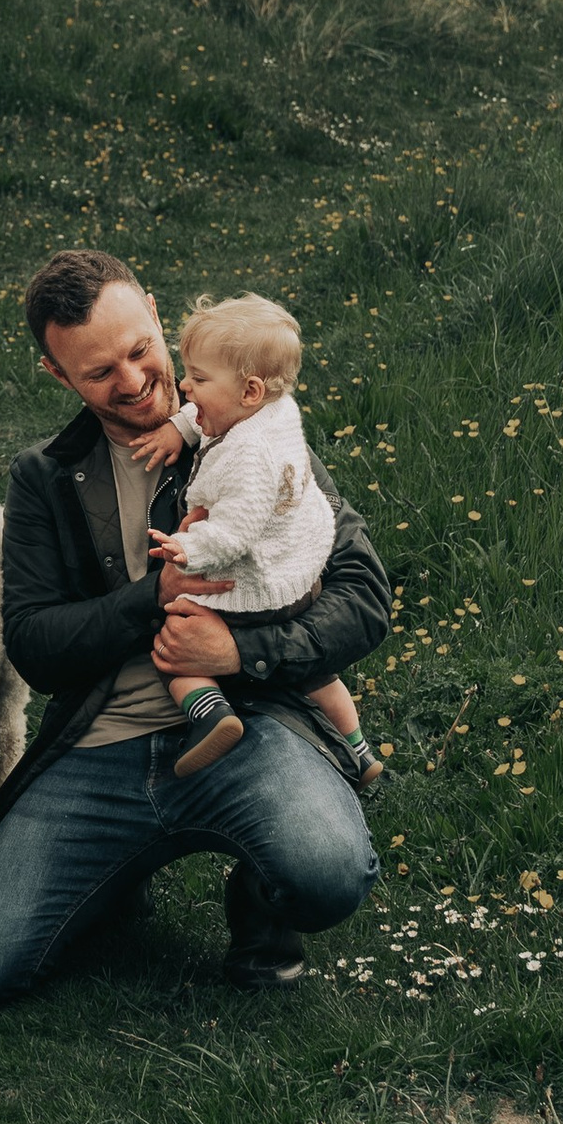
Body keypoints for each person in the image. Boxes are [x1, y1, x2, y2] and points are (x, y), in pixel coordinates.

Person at [0, 251, 386, 1007]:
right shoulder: (43, 474)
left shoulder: (249, 429)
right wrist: (155, 597)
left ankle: (260, 907)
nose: (135, 381)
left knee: (328, 871)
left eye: (141, 350)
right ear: (57, 376)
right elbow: (36, 648)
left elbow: (363, 593)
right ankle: (115, 876)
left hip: (247, 724)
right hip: (100, 745)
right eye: (100, 372)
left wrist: (237, 650)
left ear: (151, 305)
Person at [126, 293, 382, 788]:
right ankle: (359, 749)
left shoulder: (249, 459)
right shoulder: (271, 413)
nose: (184, 386)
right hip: (301, 579)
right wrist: (182, 428)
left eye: (198, 379)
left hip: (261, 584)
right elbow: (205, 419)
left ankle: (209, 713)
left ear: (249, 390)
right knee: (319, 676)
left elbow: (236, 531)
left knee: (175, 639)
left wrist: (189, 548)